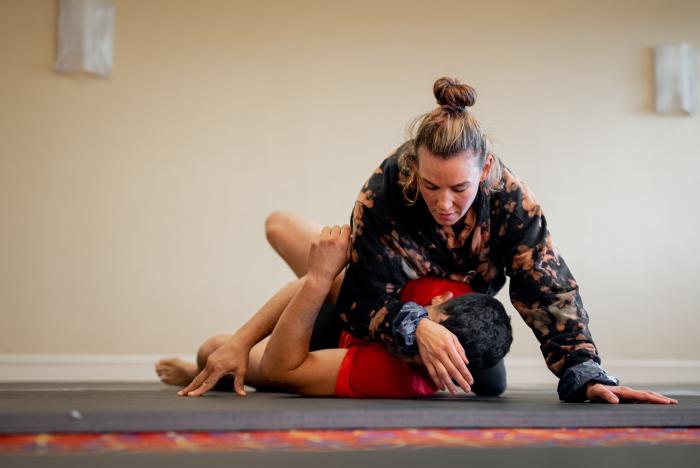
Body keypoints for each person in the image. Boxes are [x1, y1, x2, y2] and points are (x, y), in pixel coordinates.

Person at [327, 76, 677, 404]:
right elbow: (362, 295)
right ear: (414, 168)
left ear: (484, 168)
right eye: (431, 186)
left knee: (490, 385)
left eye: (459, 188)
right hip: (407, 298)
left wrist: (583, 371)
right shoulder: (385, 191)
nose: (444, 203)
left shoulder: (511, 200)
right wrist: (416, 325)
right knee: (332, 314)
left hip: (463, 303)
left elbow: (547, 288)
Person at [157, 225, 513, 398]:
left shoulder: (399, 378)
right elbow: (329, 285)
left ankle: (198, 366)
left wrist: (318, 278)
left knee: (210, 352)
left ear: (445, 373)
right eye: (428, 329)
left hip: (337, 345)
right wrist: (243, 339)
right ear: (439, 299)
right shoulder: (432, 283)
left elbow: (282, 370)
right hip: (354, 307)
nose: (412, 341)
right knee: (279, 225)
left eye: (427, 356)